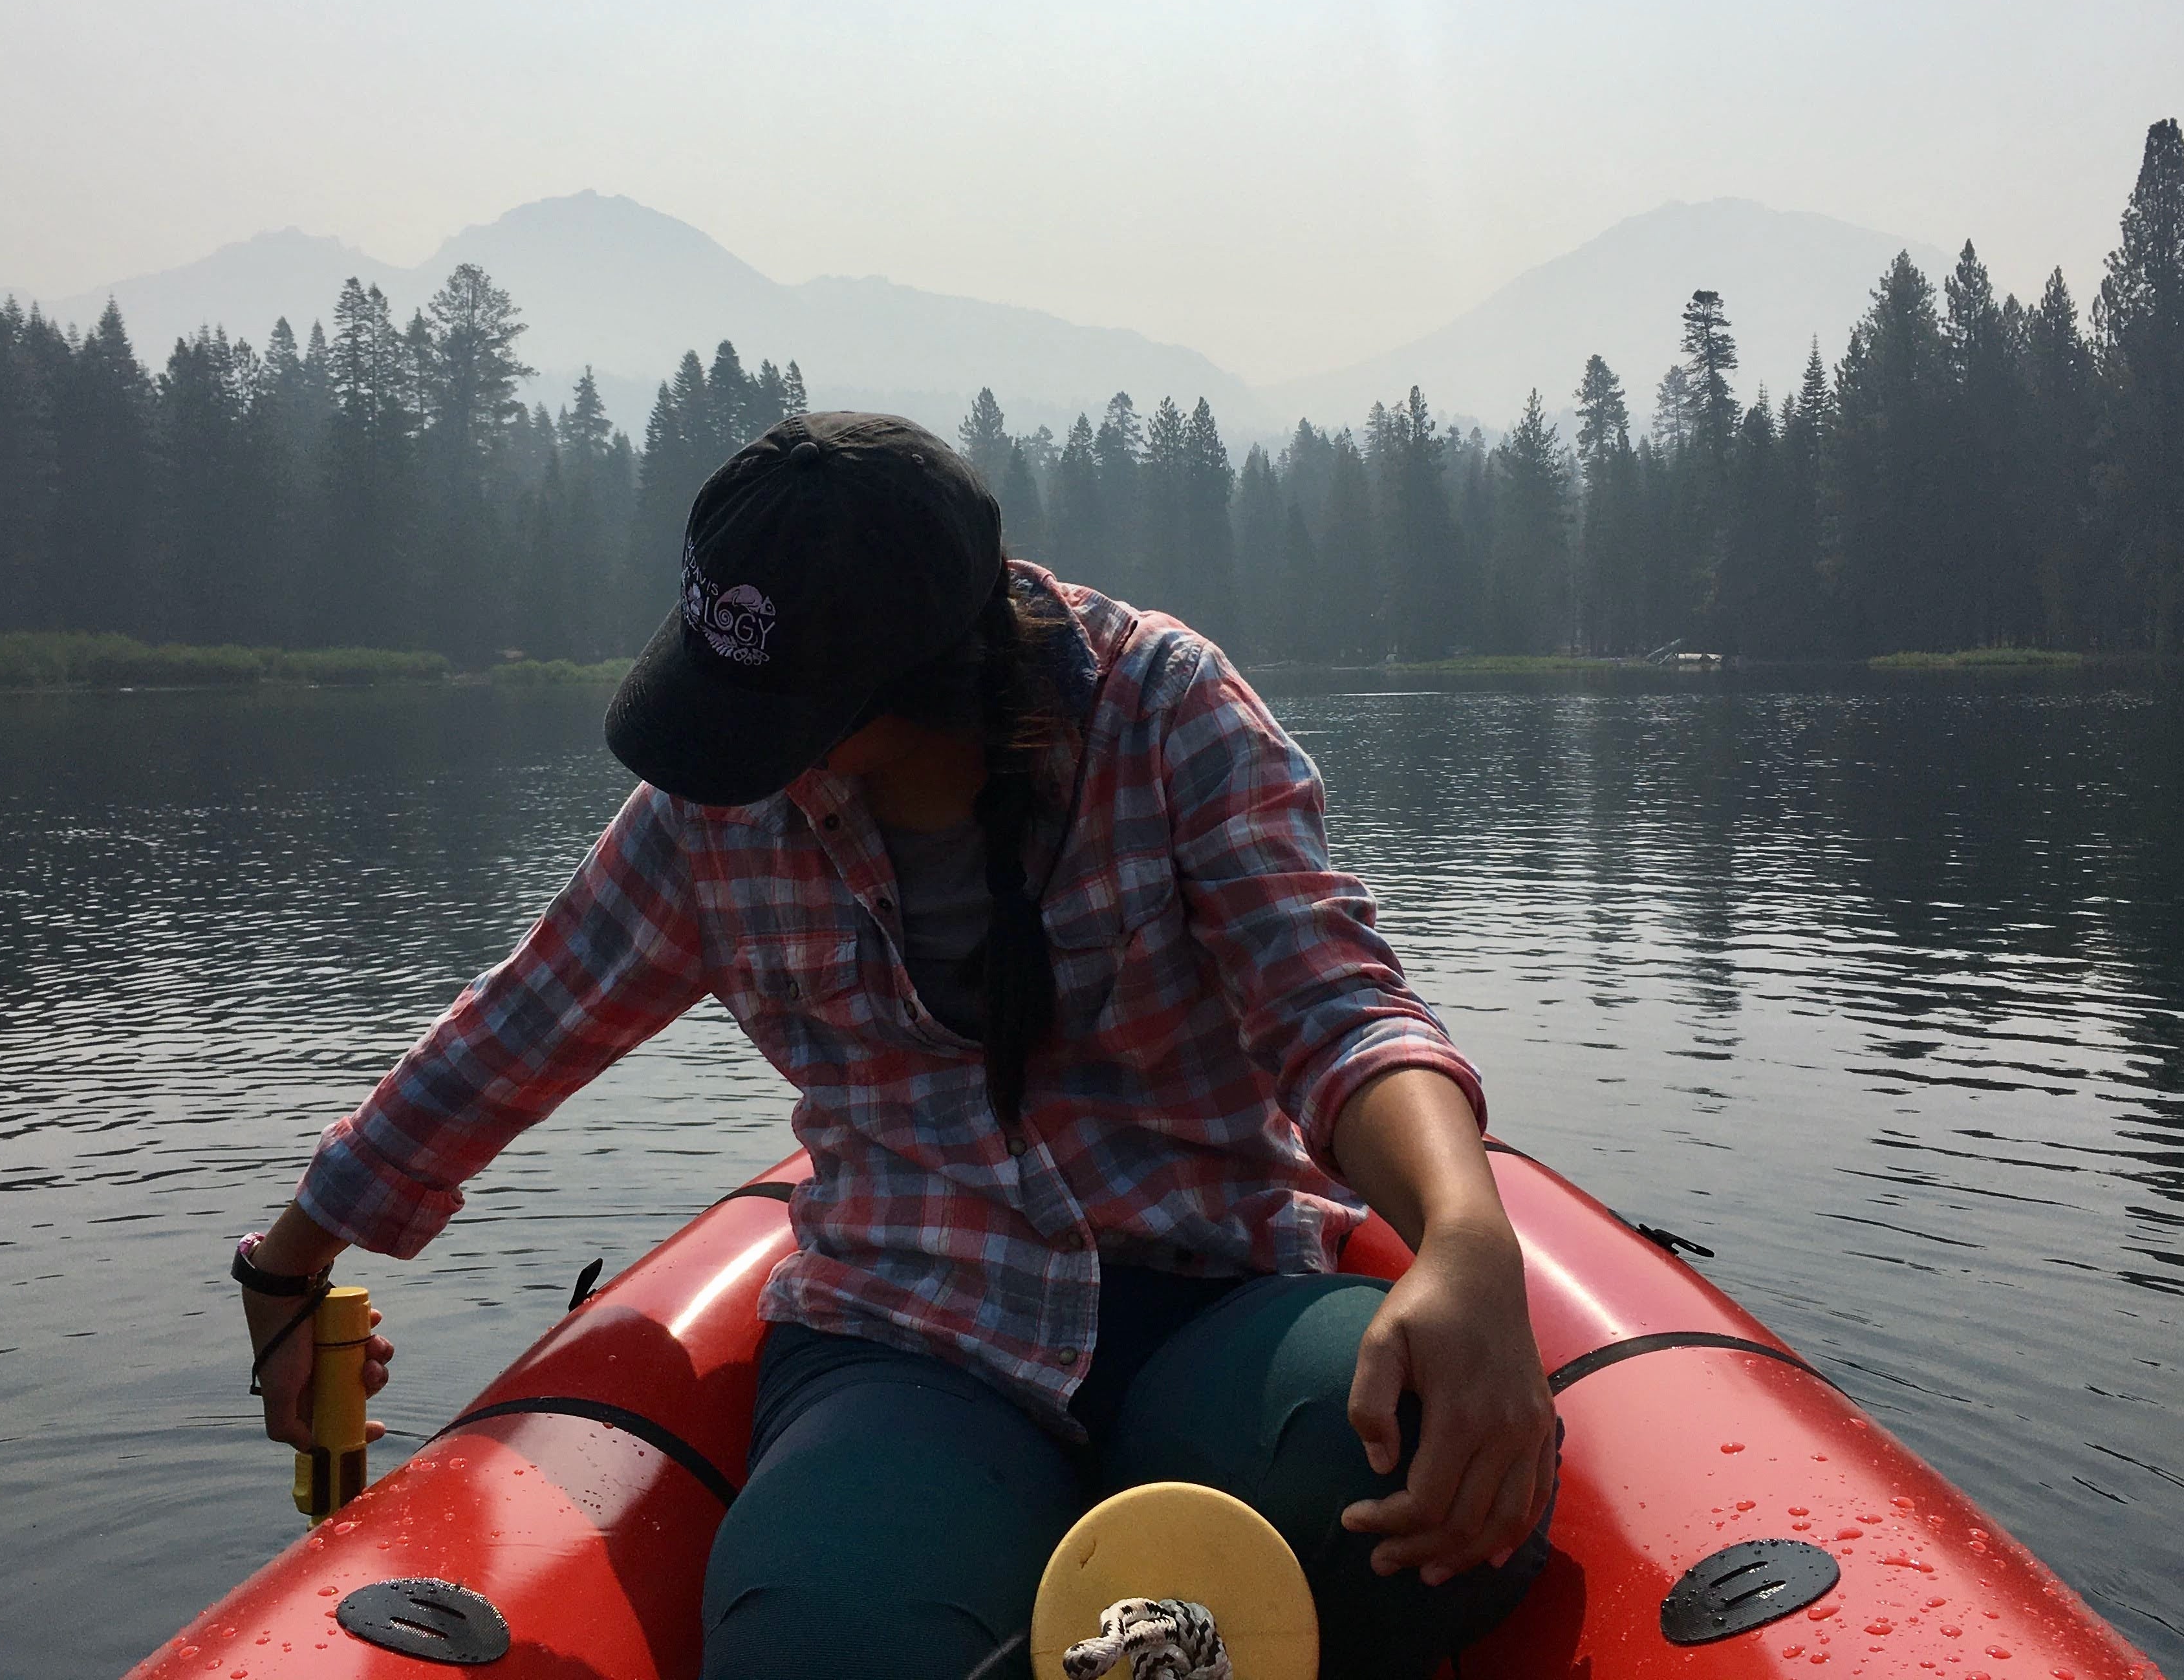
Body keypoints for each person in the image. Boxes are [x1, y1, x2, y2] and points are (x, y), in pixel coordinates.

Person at [233, 413, 1556, 1680]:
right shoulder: (715, 818)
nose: (734, 754)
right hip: (907, 1337)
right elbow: (521, 1027)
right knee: (825, 1654)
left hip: (1212, 1295)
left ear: (908, 690)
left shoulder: (1163, 711)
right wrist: (291, 1264)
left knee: (1430, 1483)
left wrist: (1466, 1237)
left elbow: (1335, 1005)